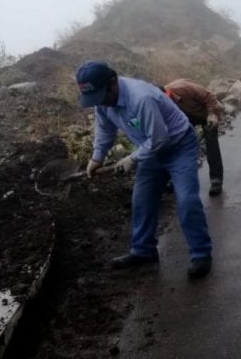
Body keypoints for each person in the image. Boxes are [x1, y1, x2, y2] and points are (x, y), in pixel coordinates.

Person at [76, 61, 212, 279]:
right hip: (150, 150)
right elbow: (104, 130)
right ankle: (143, 251)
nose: (100, 103)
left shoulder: (141, 98)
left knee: (187, 200)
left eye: (101, 96)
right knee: (141, 200)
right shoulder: (102, 100)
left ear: (112, 82)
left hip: (178, 145)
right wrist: (97, 157)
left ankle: (201, 253)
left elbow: (160, 139)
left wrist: (132, 158)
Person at [162, 79, 224, 197]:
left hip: (206, 115)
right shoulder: (160, 102)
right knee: (178, 146)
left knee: (211, 144)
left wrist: (212, 114)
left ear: (168, 93)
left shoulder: (183, 87)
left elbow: (209, 96)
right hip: (185, 118)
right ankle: (175, 180)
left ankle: (216, 180)